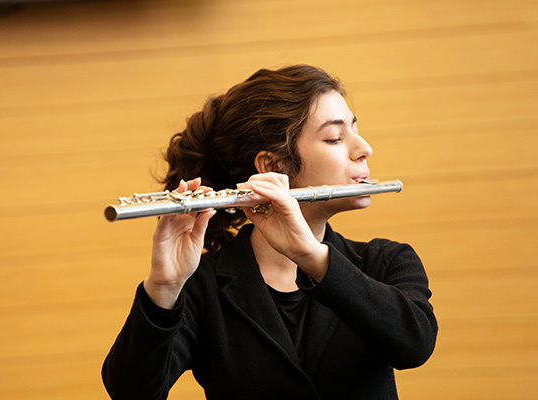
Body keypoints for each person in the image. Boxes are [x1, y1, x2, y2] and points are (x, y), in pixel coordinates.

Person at [102, 64, 438, 400]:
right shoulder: (203, 288)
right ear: (273, 166)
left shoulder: (385, 261)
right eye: (335, 138)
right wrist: (163, 287)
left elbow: (413, 345)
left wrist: (311, 257)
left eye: (354, 129)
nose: (364, 148)